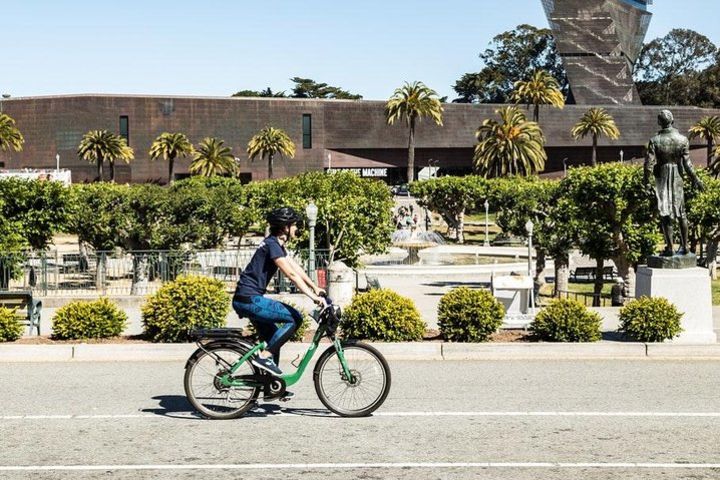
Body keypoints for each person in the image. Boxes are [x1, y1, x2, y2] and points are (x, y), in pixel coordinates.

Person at [232, 207, 326, 380]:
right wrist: (312, 297)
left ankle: (271, 386)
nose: (296, 229)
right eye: (294, 225)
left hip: (248, 298)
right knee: (295, 318)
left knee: (274, 339)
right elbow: (290, 274)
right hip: (249, 299)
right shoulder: (272, 245)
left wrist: (315, 287)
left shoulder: (275, 245)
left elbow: (295, 267)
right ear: (285, 228)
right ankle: (264, 357)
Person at [644, 110, 704, 256]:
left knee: (665, 212)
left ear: (659, 122)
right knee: (681, 213)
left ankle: (670, 248)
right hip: (677, 176)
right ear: (672, 120)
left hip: (662, 176)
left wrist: (646, 182)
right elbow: (688, 163)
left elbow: (648, 165)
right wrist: (696, 179)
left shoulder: (655, 140)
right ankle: (685, 246)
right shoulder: (682, 140)